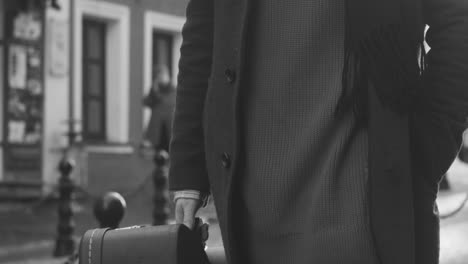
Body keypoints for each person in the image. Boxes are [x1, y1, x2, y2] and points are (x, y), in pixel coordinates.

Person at [168, 0, 468, 263]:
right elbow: (203, 36)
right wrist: (188, 171)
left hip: (364, 225)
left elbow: (459, 23)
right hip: (248, 229)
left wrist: (424, 150)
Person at [143, 65, 176, 152]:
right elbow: (146, 102)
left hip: (169, 125)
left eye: (163, 75)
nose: (161, 78)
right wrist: (154, 90)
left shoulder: (172, 89)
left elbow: (166, 101)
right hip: (157, 126)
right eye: (159, 76)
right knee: (158, 151)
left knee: (168, 150)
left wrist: (156, 92)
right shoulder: (155, 89)